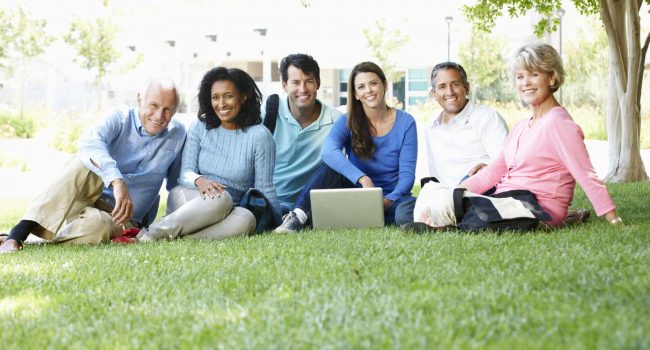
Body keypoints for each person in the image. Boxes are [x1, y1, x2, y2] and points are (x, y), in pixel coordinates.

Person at [0, 78, 186, 254]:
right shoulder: (119, 117)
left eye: (168, 109)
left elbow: (177, 183)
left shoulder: (177, 134)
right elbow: (89, 144)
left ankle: (34, 242)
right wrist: (117, 181)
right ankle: (18, 233)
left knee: (98, 229)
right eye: (153, 105)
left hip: (119, 218)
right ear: (139, 99)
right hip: (85, 197)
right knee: (82, 162)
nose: (159, 115)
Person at [459, 43, 620, 227]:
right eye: (520, 77)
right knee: (458, 204)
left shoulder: (558, 124)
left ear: (552, 77)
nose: (525, 83)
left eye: (534, 74)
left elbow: (587, 176)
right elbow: (491, 174)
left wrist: (614, 220)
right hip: (506, 201)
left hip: (536, 208)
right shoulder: (520, 127)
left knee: (472, 221)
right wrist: (453, 193)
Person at [136, 67, 281, 241]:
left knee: (247, 219)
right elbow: (185, 173)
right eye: (215, 97)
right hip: (189, 199)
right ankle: (153, 233)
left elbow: (265, 187)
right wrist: (199, 180)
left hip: (229, 210)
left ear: (243, 96)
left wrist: (280, 225)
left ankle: (183, 239)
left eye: (228, 96)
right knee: (221, 199)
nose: (222, 104)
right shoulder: (200, 127)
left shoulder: (260, 136)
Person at [274, 61, 418, 232]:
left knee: (404, 214)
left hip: (394, 200)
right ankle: (297, 216)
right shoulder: (348, 121)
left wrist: (387, 201)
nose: (369, 91)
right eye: (362, 87)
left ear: (384, 86)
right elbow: (329, 152)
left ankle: (368, 215)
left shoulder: (406, 122)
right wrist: (363, 179)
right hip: (357, 195)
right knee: (332, 167)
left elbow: (407, 176)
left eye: (373, 83)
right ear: (356, 94)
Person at [395, 61, 509, 225]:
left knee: (467, 196)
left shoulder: (488, 117)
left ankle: (445, 218)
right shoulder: (431, 127)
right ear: (433, 93)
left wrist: (486, 166)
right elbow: (437, 176)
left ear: (467, 88)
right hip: (446, 193)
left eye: (455, 84)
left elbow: (505, 164)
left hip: (478, 190)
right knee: (403, 211)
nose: (449, 92)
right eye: (442, 86)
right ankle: (453, 217)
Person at [263, 53, 342, 214]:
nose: (303, 89)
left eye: (309, 82)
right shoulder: (268, 111)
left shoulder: (336, 120)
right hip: (270, 202)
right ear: (284, 85)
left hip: (310, 207)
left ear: (318, 84)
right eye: (295, 83)